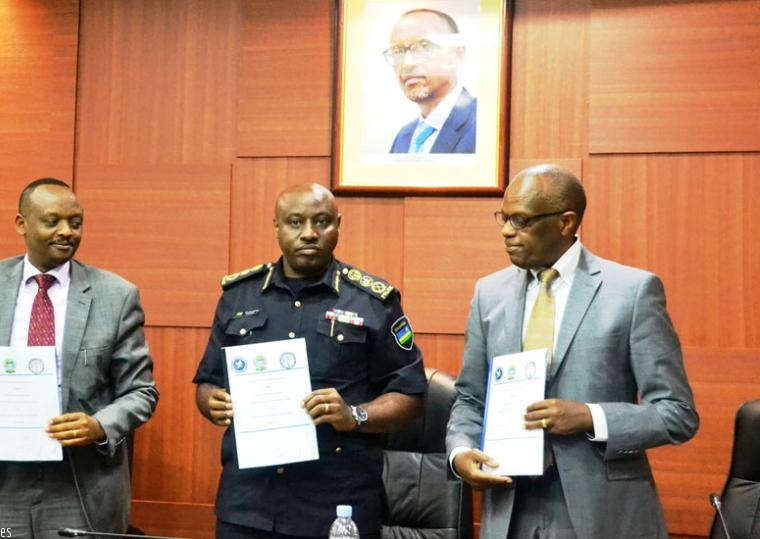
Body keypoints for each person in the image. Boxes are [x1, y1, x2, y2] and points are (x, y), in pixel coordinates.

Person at [446, 164, 699, 538]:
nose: (506, 231)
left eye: (521, 220)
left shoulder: (631, 293)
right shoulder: (489, 294)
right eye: (504, 217)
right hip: (509, 508)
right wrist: (461, 452)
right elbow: (469, 397)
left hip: (601, 513)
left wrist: (590, 417)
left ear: (566, 223)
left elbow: (677, 414)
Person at [193, 183, 427, 539]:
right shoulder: (238, 296)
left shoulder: (373, 302)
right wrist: (213, 403)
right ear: (276, 226)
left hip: (337, 503)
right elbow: (208, 382)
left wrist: (356, 415)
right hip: (249, 504)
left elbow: (411, 395)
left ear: (338, 224)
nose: (309, 234)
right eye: (295, 222)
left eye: (322, 222)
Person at [0, 178, 159, 536]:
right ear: (21, 224)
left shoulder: (116, 296)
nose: (66, 232)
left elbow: (141, 392)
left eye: (76, 222)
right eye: (52, 221)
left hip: (78, 484)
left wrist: (99, 426)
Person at [385, 8, 476, 154]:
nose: (407, 64)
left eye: (423, 48)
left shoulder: (483, 125)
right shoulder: (404, 138)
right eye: (398, 52)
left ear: (457, 55)